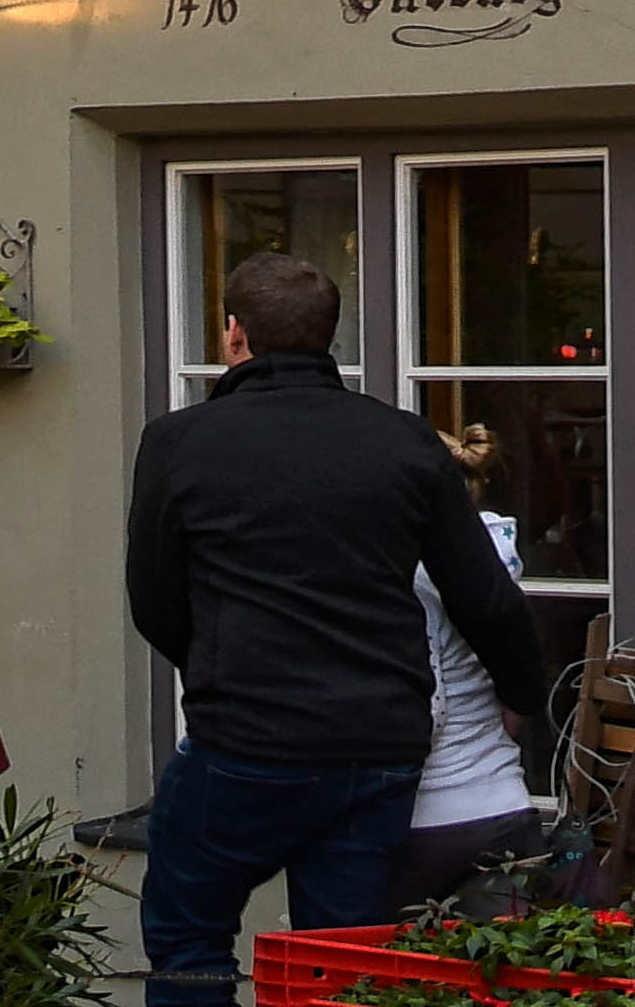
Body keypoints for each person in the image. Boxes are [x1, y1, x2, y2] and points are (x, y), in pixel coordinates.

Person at [126, 254, 551, 1006]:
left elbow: (154, 601)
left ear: (234, 335)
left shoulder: (179, 441)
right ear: (329, 337)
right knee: (342, 962)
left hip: (245, 741)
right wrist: (521, 694)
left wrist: (225, 670)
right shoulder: (404, 441)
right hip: (376, 747)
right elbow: (487, 598)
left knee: (188, 935)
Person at [396, 421, 546, 906]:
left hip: (429, 815)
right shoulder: (491, 564)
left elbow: (426, 707)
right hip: (503, 803)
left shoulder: (413, 576)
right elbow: (512, 692)